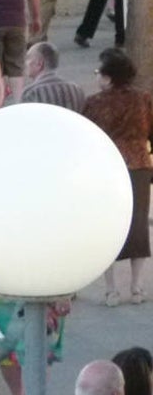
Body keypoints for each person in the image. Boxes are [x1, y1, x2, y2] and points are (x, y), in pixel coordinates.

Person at [82, 47, 153, 305]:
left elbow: (85, 138)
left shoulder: (93, 103)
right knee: (138, 226)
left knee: (107, 227)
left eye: (99, 72)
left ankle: (111, 289)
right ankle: (137, 287)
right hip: (138, 165)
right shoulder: (143, 99)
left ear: (109, 77)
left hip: (107, 168)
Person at [20, 42, 86, 111]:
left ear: (39, 64)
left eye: (28, 58)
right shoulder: (76, 90)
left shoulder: (31, 93)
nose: (25, 63)